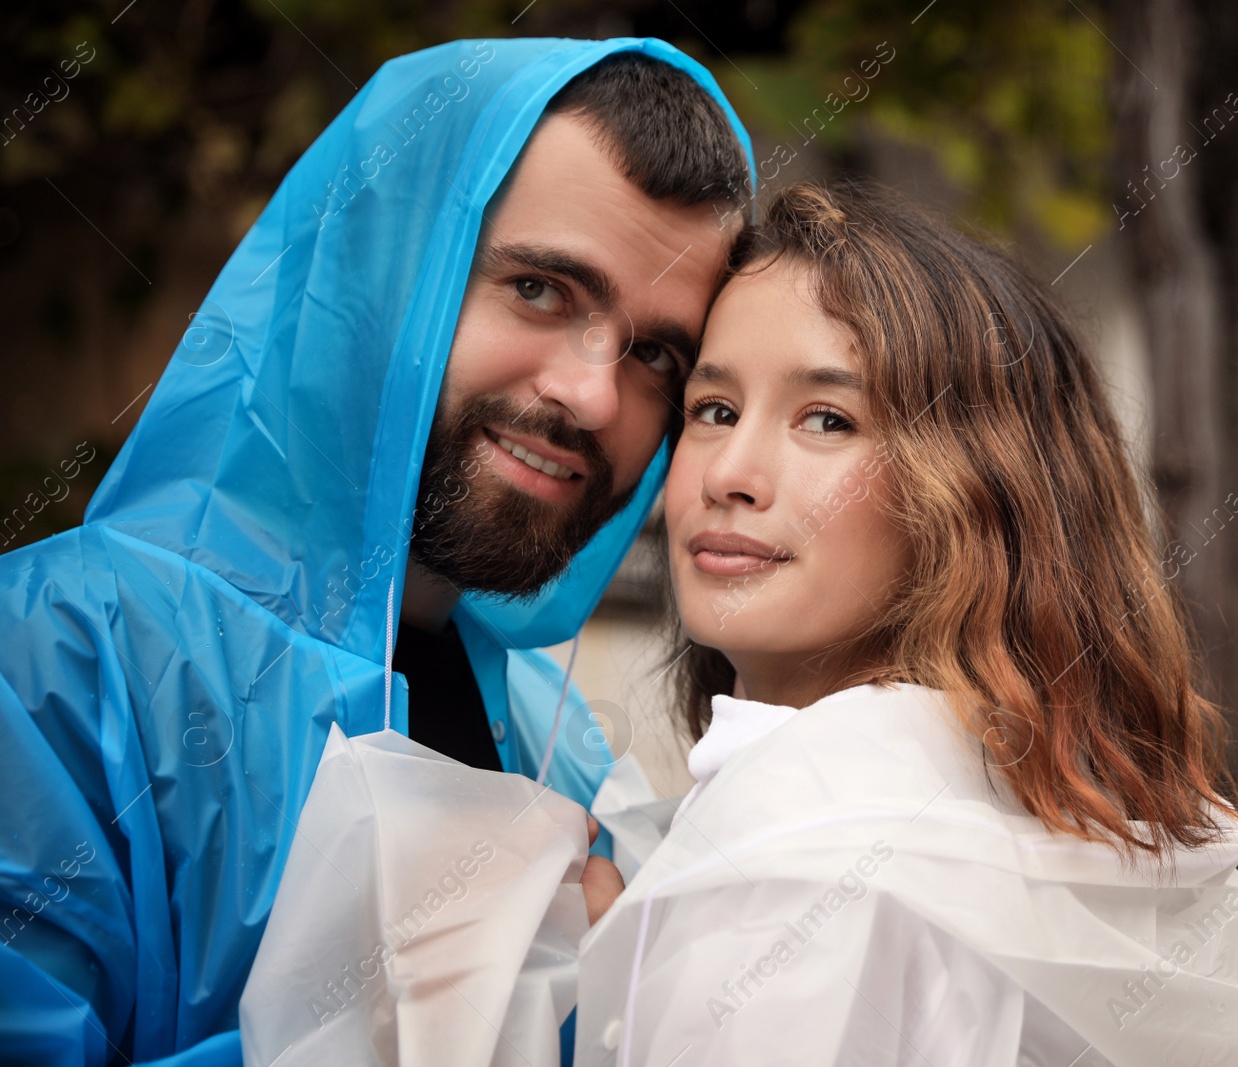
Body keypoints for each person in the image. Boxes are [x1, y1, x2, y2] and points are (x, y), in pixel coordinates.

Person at [0, 38, 752, 1066]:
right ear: (385, 273)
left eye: (656, 353)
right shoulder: (50, 666)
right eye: (539, 289)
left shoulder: (558, 738)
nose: (591, 394)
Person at [574, 182, 1238, 1065]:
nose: (732, 472)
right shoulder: (1003, 806)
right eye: (714, 410)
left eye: (827, 418)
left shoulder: (812, 850)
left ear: (979, 494)